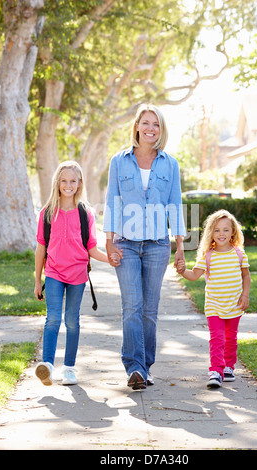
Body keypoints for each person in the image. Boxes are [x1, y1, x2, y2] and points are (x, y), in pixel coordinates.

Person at [103, 103, 186, 390]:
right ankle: (134, 367)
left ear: (161, 130)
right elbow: (113, 202)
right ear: (137, 125)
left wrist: (179, 246)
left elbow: (175, 205)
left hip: (157, 245)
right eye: (146, 122)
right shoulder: (119, 160)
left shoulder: (170, 164)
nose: (151, 128)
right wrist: (109, 242)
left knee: (150, 309)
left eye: (157, 124)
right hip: (125, 243)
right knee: (131, 307)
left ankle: (146, 366)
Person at [34, 161, 116, 386]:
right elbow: (41, 248)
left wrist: (111, 259)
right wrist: (37, 281)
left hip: (78, 275)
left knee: (72, 320)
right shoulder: (47, 212)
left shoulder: (85, 213)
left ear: (79, 183)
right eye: (64, 181)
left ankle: (69, 368)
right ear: (57, 183)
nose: (68, 185)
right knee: (52, 319)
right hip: (53, 273)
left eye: (73, 181)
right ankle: (48, 366)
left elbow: (91, 249)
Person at [177, 209, 251, 388]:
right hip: (214, 305)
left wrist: (245, 295)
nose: (221, 234)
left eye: (226, 230)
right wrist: (182, 271)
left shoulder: (239, 254)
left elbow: (246, 276)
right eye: (217, 230)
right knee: (217, 337)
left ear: (233, 231)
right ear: (211, 233)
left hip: (234, 304)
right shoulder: (207, 256)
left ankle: (228, 367)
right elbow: (194, 275)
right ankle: (216, 370)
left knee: (231, 338)